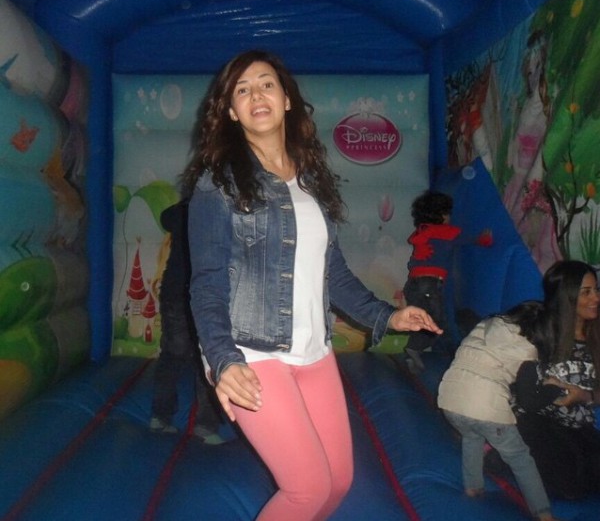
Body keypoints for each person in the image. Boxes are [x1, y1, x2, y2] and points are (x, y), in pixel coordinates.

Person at [181, 49, 442, 521]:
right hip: (253, 352)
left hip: (314, 352)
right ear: (231, 111)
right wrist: (222, 360)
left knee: (337, 482)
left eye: (266, 84)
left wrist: (387, 316)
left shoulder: (311, 182)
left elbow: (332, 272)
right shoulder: (216, 185)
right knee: (307, 488)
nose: (256, 95)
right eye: (242, 90)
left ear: (286, 100)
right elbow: (207, 283)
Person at [438, 301, 559, 521]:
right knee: (520, 458)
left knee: (472, 437)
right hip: (485, 407)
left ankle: (473, 487)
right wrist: (554, 389)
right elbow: (529, 401)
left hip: (449, 399)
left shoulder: (486, 325)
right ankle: (544, 514)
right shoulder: (528, 351)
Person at [514, 260, 600, 499]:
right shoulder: (539, 330)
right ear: (566, 297)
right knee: (567, 485)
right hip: (536, 419)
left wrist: (584, 395)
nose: (596, 298)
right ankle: (501, 455)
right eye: (586, 292)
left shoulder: (596, 334)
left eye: (596, 289)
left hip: (576, 423)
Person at [150, 199, 225, 444]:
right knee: (207, 357)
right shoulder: (217, 208)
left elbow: (166, 217)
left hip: (181, 292)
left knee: (175, 355)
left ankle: (161, 416)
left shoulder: (184, 209)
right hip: (200, 294)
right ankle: (204, 425)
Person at [402, 190, 492, 372]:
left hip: (412, 284)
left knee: (422, 319)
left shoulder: (422, 231)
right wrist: (485, 238)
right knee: (438, 322)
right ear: (443, 216)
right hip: (429, 284)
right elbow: (472, 239)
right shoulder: (446, 232)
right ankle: (418, 347)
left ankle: (415, 352)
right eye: (448, 213)